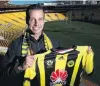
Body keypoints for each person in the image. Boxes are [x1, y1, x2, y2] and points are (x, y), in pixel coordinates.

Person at [0, 4, 60, 86]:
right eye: (32, 19)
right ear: (26, 20)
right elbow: (3, 74)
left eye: (40, 19)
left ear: (44, 20)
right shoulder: (15, 44)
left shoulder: (54, 43)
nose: (36, 23)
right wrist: (20, 67)